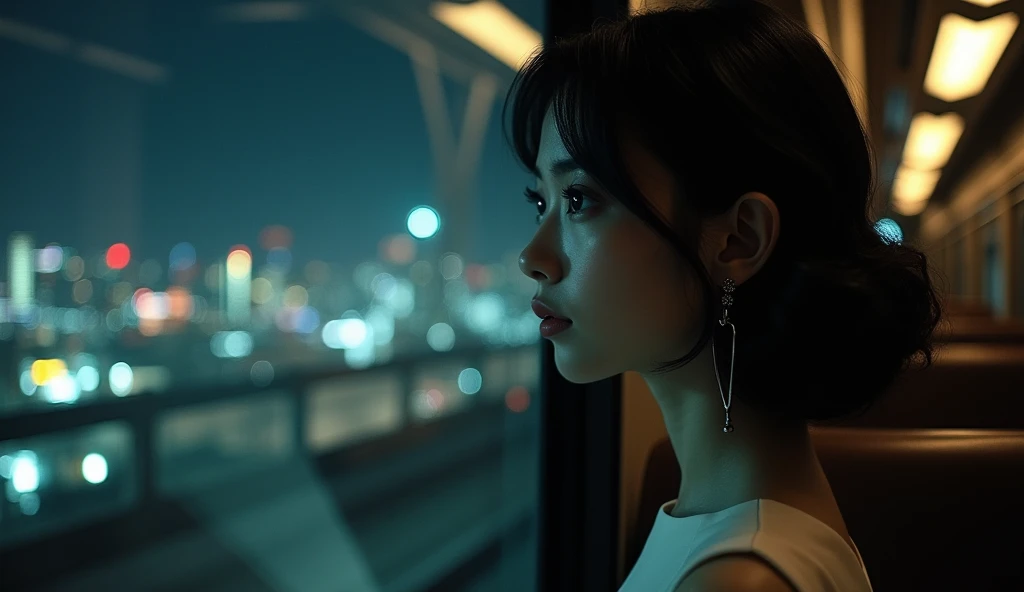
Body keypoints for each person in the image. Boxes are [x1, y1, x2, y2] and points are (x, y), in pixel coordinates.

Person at [505, 1, 942, 591]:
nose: (533, 257)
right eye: (541, 203)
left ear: (738, 239)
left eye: (579, 200)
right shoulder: (736, 525)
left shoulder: (738, 577)